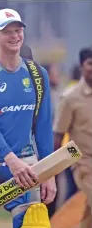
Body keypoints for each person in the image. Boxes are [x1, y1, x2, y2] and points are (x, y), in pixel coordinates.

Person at [0, 8, 56, 228]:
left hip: (25, 164)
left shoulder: (37, 74)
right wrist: (11, 160)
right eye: (7, 32)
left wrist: (49, 173)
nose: (15, 36)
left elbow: (42, 128)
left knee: (35, 222)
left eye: (18, 30)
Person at [53, 47, 92, 228]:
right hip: (83, 163)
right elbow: (58, 135)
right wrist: (51, 173)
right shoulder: (70, 98)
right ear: (82, 66)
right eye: (90, 63)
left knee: (88, 212)